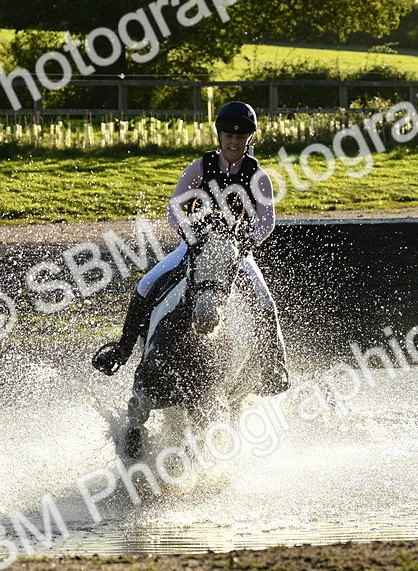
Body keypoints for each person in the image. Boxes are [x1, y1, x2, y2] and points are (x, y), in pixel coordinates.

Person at [91, 100, 289, 395]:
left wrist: (245, 243)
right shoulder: (200, 167)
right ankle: (122, 350)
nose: (234, 142)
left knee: (265, 302)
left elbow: (267, 222)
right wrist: (188, 234)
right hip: (195, 247)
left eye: (240, 137)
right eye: (229, 136)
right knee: (146, 284)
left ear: (249, 139)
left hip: (235, 253)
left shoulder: (258, 177)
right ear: (220, 136)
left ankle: (274, 366)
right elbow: (174, 208)